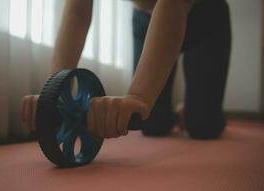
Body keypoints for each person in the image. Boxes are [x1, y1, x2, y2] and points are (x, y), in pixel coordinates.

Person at [22, 0, 231, 140]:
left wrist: (138, 96)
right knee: (150, 125)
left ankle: (198, 111)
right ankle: (179, 114)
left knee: (204, 128)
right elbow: (77, 14)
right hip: (145, 19)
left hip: (207, 19)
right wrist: (55, 94)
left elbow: (173, 6)